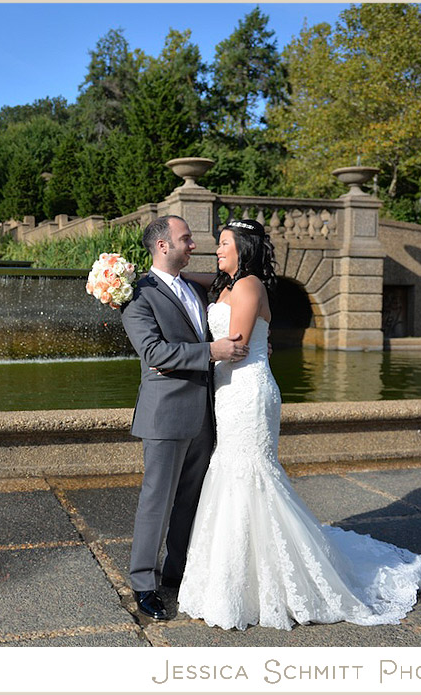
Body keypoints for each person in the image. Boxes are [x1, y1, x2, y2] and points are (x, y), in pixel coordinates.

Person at [176, 219, 421, 630]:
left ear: (243, 250)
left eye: (223, 244)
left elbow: (234, 346)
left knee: (251, 475)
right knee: (232, 473)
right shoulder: (230, 283)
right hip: (228, 393)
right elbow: (199, 280)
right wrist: (168, 275)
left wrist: (177, 357)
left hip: (248, 393)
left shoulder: (249, 285)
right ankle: (235, 576)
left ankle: (274, 581)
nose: (216, 251)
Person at [119, 215, 249, 621]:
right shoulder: (136, 295)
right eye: (186, 239)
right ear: (162, 246)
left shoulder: (195, 287)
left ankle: (177, 573)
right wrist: (213, 351)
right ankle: (143, 583)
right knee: (156, 502)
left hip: (206, 414)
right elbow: (155, 354)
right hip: (166, 415)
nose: (194, 245)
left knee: (191, 501)